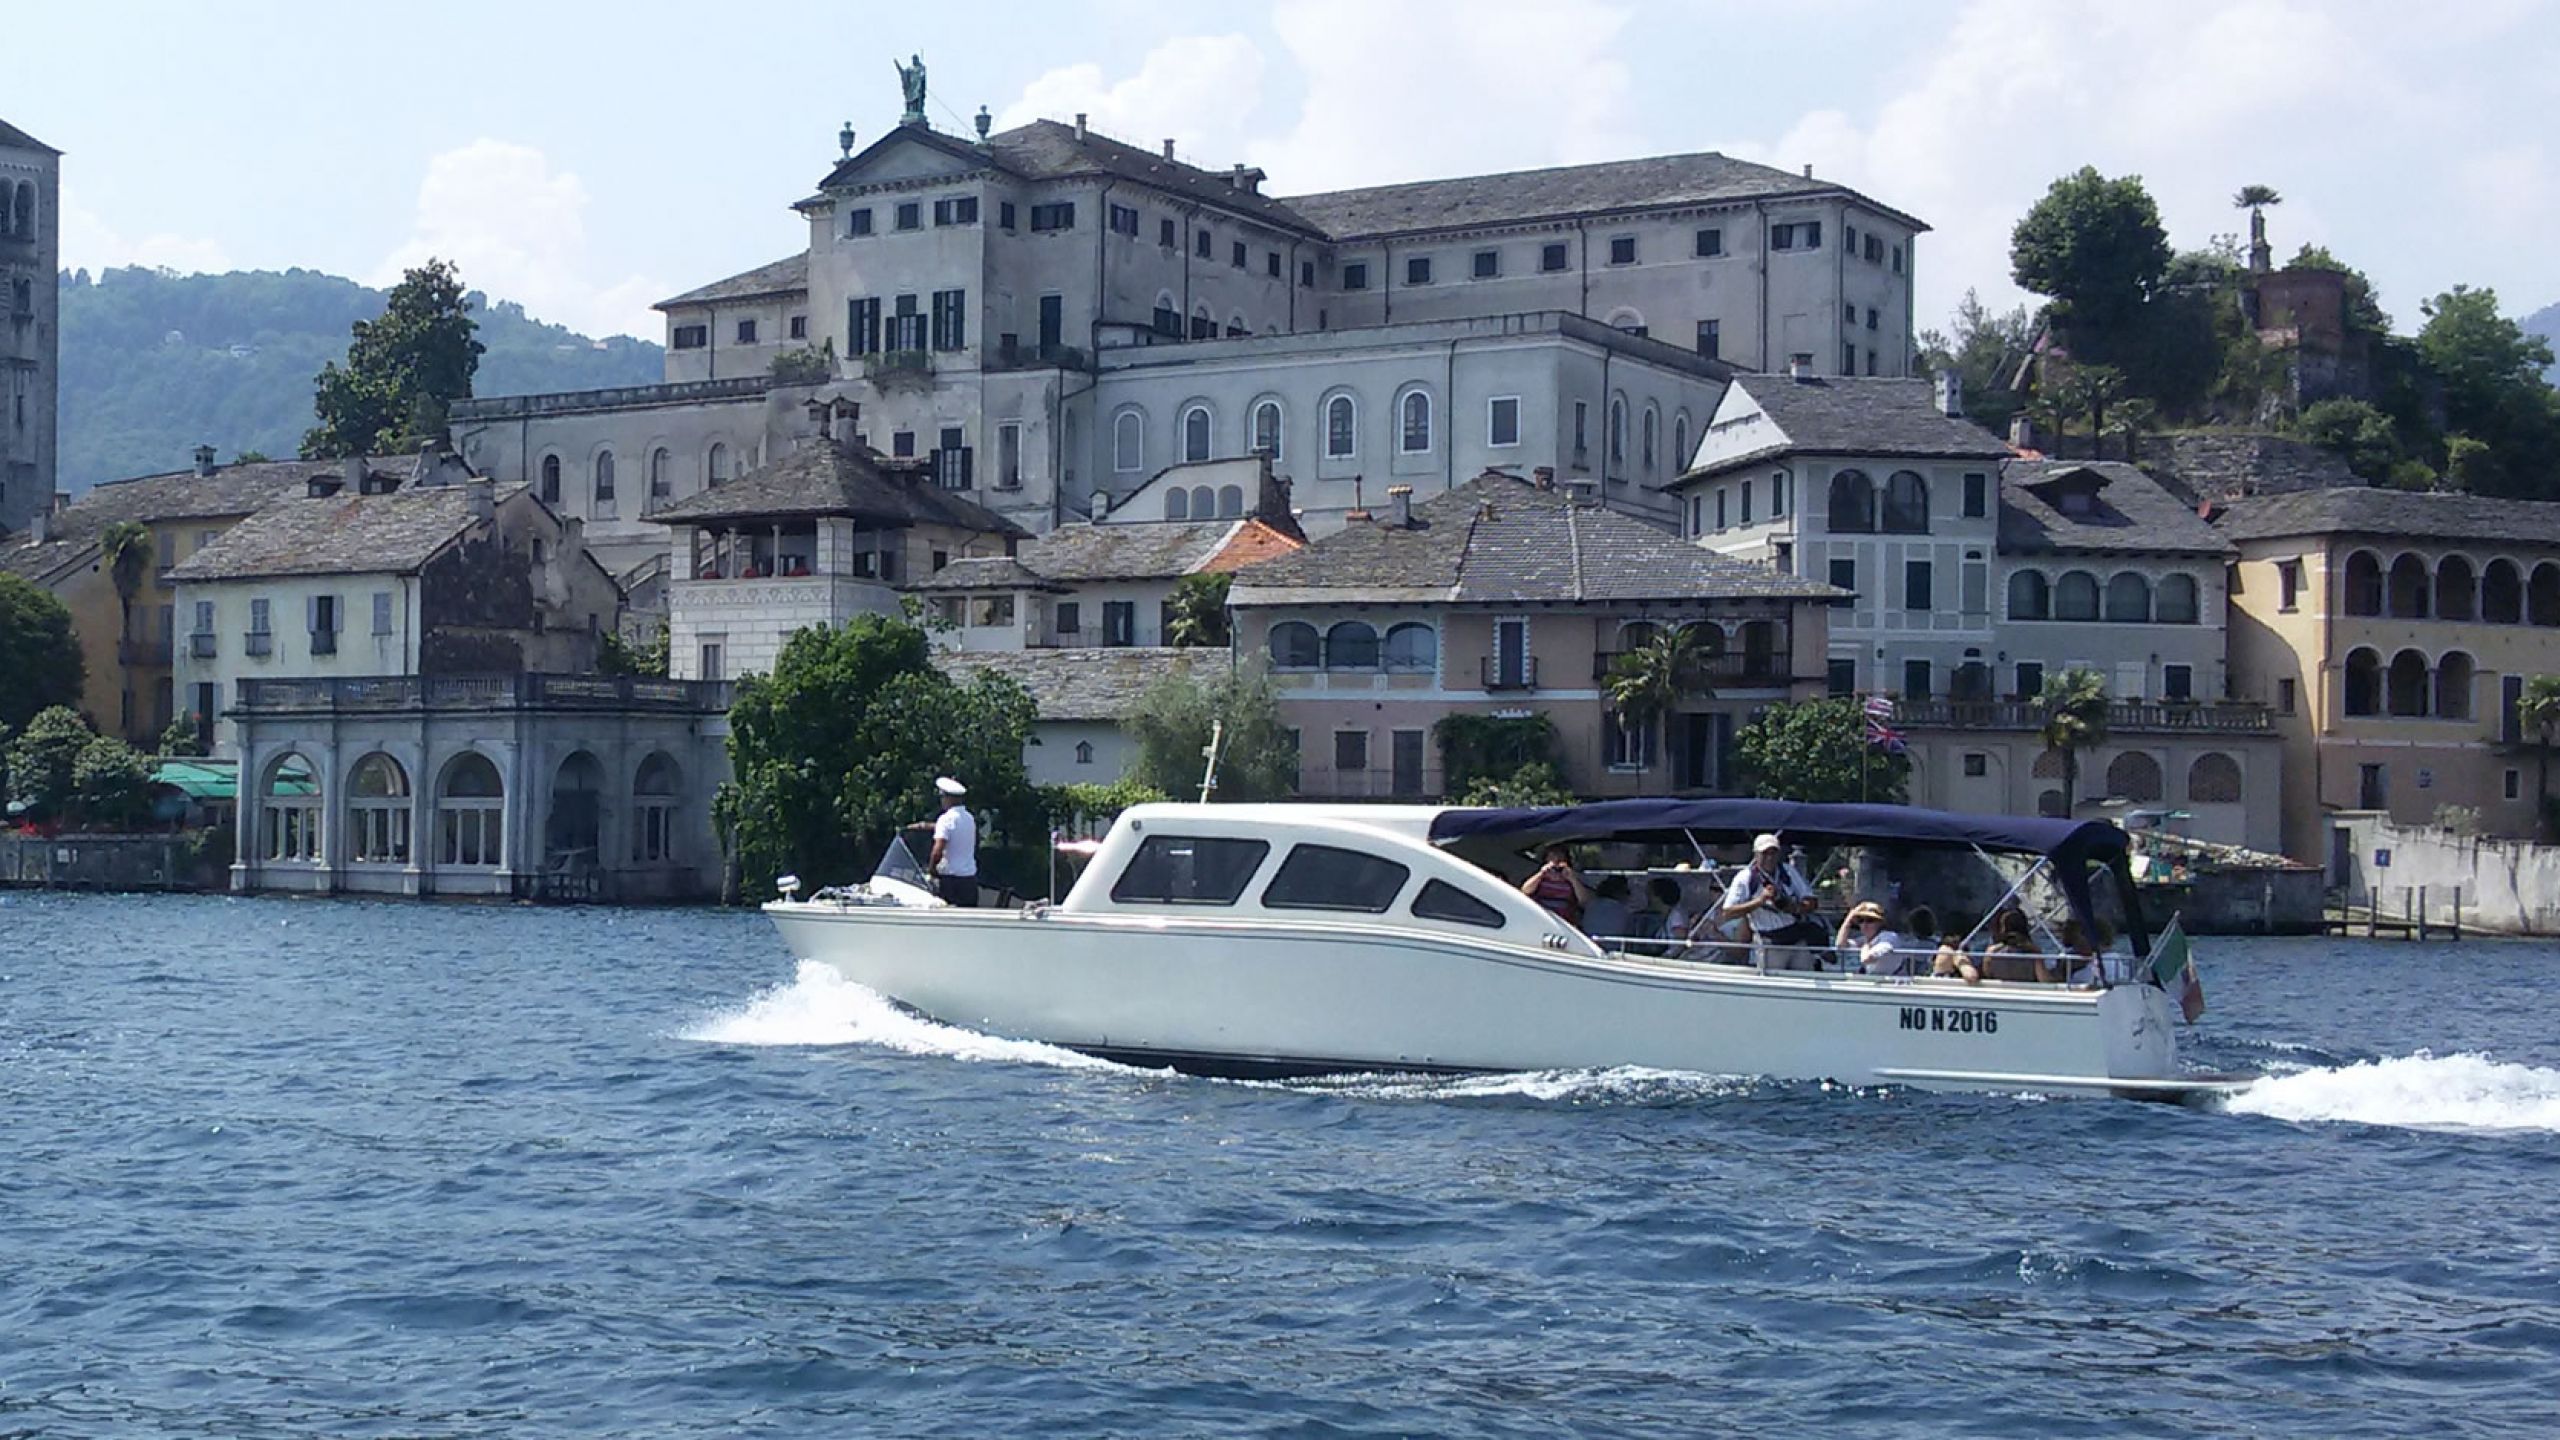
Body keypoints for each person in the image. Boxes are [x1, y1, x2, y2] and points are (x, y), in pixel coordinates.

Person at [1714, 833, 1824, 970]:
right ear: (1756, 855)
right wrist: (1760, 901)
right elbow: (1728, 913)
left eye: (1774, 853)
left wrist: (1794, 907)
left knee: (1806, 979)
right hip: (1769, 942)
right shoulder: (1745, 878)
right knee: (1774, 982)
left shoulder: (1787, 872)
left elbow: (1811, 901)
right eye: (1765, 853)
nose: (1770, 858)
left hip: (1796, 939)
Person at [927, 776, 979, 907]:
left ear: (949, 798)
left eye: (942, 797)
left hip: (951, 882)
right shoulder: (969, 818)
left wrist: (932, 870)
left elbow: (937, 850)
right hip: (969, 881)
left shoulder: (945, 819)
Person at [1520, 843, 1593, 926]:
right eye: (1552, 857)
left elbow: (1585, 901)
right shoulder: (1541, 878)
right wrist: (1541, 873)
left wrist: (1572, 879)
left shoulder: (1571, 878)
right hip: (1541, 917)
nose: (1556, 861)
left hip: (1564, 921)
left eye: (1559, 857)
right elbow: (1525, 891)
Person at [1834, 900, 1911, 975]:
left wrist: (1866, 945)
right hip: (1876, 981)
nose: (1864, 925)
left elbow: (1866, 959)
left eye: (1870, 920)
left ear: (1880, 922)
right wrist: (1848, 920)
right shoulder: (1865, 939)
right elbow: (1840, 945)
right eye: (1861, 920)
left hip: (1894, 984)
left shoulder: (1889, 937)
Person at [1581, 874, 1635, 942]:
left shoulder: (1590, 906)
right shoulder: (1623, 912)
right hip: (1613, 949)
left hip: (1588, 947)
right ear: (1622, 892)